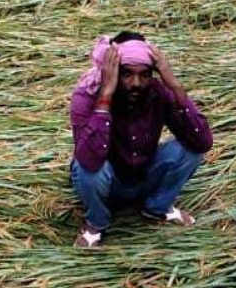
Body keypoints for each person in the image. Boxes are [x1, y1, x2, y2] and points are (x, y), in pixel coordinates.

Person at [68, 31, 213, 248]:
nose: (136, 83)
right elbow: (89, 159)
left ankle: (157, 206)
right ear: (113, 71)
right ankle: (96, 222)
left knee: (191, 150)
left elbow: (203, 141)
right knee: (87, 169)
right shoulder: (86, 96)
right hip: (107, 181)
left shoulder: (158, 92)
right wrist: (105, 96)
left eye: (144, 75)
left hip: (143, 175)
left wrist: (173, 84)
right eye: (126, 74)